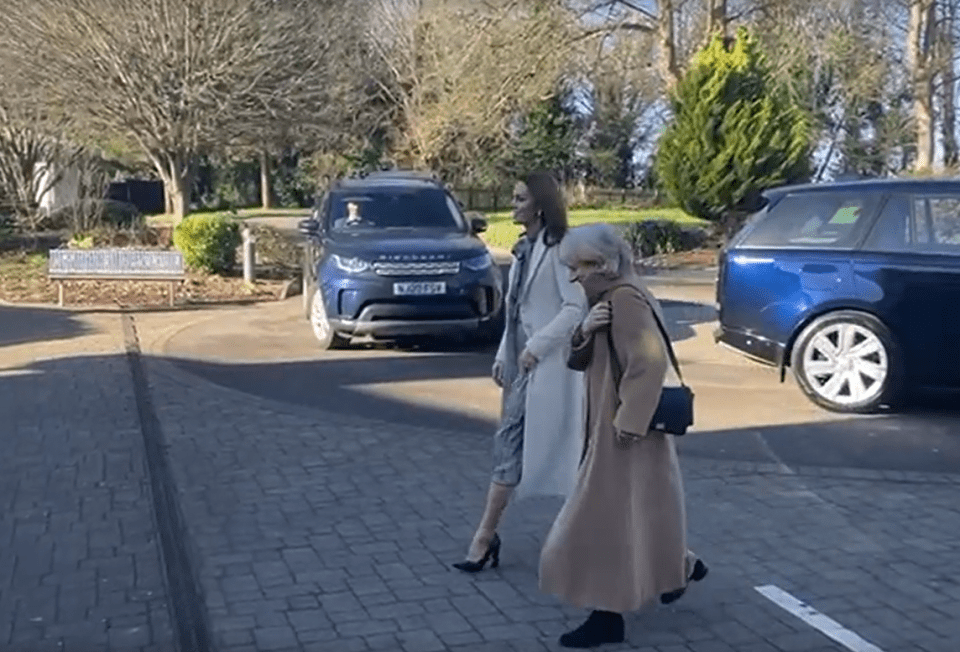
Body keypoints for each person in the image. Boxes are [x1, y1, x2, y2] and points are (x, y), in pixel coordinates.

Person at [538, 223, 707, 648]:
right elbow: (579, 361)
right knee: (640, 514)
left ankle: (606, 615)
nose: (574, 277)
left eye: (578, 268)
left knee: (598, 524)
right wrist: (584, 330)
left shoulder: (625, 301)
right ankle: (677, 568)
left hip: (622, 433)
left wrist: (628, 424)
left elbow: (648, 364)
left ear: (602, 265)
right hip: (616, 430)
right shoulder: (610, 300)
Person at [452, 171, 587, 573]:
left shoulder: (561, 249)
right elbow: (514, 312)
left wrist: (536, 347)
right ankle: (487, 537)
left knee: (527, 451)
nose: (513, 205)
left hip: (548, 370)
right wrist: (503, 353)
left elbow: (574, 308)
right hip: (520, 367)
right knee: (515, 449)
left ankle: (483, 539)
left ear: (540, 206)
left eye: (519, 199)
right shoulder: (524, 248)